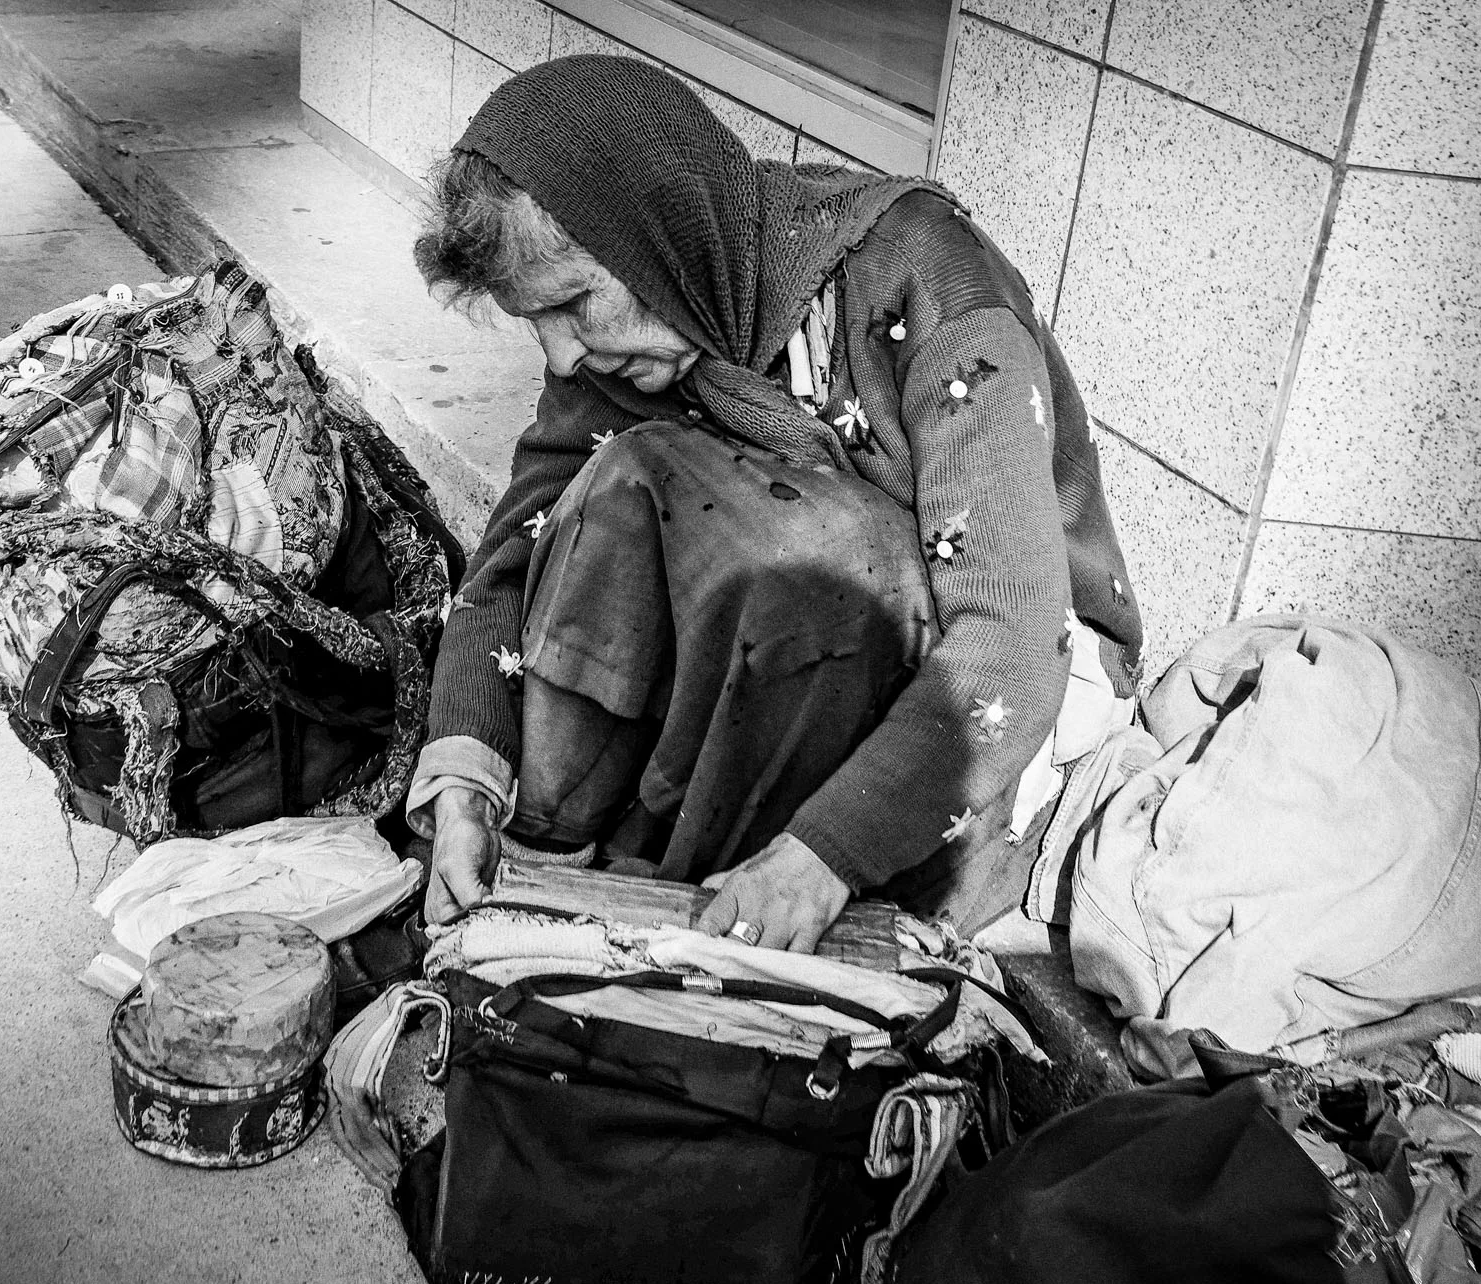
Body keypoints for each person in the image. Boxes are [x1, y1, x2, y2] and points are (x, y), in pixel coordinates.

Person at [404, 55, 1143, 952]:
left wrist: (821, 859)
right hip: (808, 671)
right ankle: (553, 858)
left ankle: (725, 882)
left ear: (655, 241)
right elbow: (514, 549)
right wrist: (466, 786)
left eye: (573, 303)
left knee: (802, 559)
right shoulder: (648, 330)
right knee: (626, 483)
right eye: (536, 322)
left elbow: (1011, 639)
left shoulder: (931, 287)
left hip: (983, 704)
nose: (562, 355)